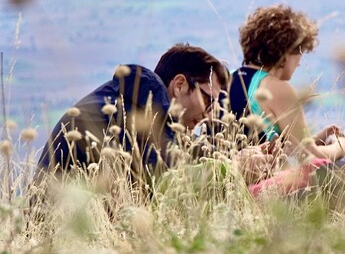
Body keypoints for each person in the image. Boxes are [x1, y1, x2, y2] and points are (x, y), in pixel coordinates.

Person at [38, 43, 229, 173]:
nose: (209, 115)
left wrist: (228, 158)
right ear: (180, 85)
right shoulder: (131, 114)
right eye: (207, 99)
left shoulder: (141, 102)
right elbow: (169, 183)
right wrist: (231, 170)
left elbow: (180, 149)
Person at [236, 4, 345, 162]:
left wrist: (317, 138)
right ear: (287, 53)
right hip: (265, 183)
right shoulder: (276, 88)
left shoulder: (230, 79)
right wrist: (340, 146)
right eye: (300, 53)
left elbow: (283, 145)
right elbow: (309, 156)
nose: (299, 64)